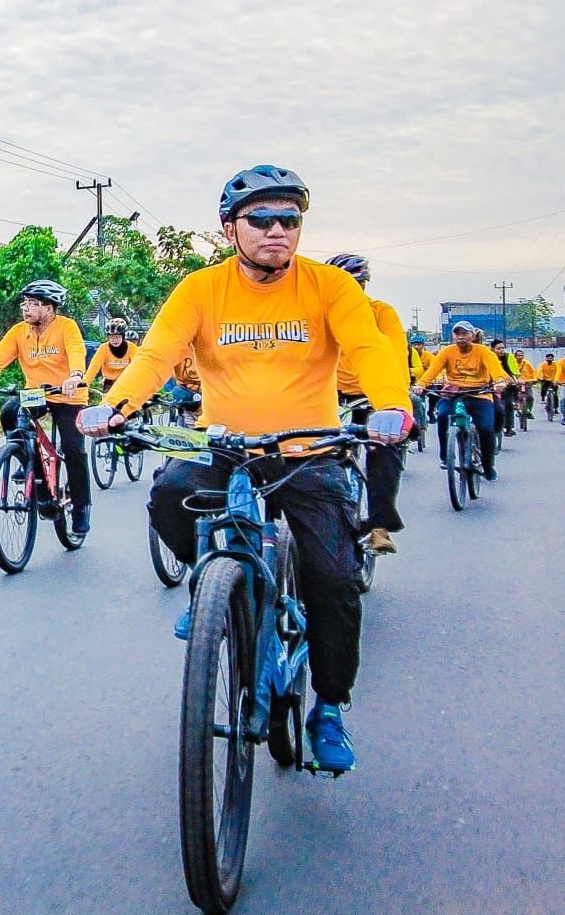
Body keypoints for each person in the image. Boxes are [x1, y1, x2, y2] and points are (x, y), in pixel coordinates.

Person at [79, 165, 413, 774]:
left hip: (309, 453)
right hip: (226, 448)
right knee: (167, 497)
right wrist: (113, 407)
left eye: (291, 218)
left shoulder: (331, 286)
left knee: (335, 580)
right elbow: (156, 355)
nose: (278, 230)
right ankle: (215, 583)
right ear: (231, 227)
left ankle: (329, 708)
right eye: (262, 218)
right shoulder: (200, 289)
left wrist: (393, 405)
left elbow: (369, 350)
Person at [0, 280, 93, 536]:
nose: (27, 308)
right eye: (25, 303)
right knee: (10, 410)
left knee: (73, 449)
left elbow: (77, 352)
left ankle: (80, 507)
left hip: (69, 394)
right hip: (37, 393)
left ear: (50, 308)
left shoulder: (66, 327)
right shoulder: (19, 332)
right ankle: (26, 457)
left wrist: (75, 375)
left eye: (34, 304)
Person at [328, 252, 408, 555]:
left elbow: (395, 359)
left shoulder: (381, 314)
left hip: (373, 397)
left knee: (384, 449)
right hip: (329, 398)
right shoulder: (320, 314)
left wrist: (393, 405)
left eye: (357, 283)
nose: (351, 290)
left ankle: (379, 527)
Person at [414, 321, 509, 480]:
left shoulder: (484, 352)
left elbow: (496, 369)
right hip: (454, 394)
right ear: (453, 336)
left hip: (479, 393)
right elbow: (432, 370)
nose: (460, 337)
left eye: (464, 334)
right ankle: (445, 456)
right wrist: (421, 384)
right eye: (457, 334)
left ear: (472, 335)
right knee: (443, 416)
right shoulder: (447, 352)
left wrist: (500, 381)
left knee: (486, 428)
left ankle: (488, 465)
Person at [86, 317, 140, 392]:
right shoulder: (104, 348)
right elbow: (94, 366)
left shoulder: (132, 348)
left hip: (126, 380)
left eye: (117, 337)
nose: (114, 340)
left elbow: (139, 366)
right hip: (109, 382)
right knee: (109, 401)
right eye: (111, 337)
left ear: (123, 336)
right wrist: (85, 383)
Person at [489, 339, 520, 437]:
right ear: (492, 349)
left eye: (502, 348)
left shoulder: (509, 356)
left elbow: (514, 370)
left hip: (507, 384)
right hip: (491, 384)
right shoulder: (489, 357)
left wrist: (516, 379)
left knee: (508, 405)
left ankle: (509, 427)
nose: (501, 350)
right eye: (498, 348)